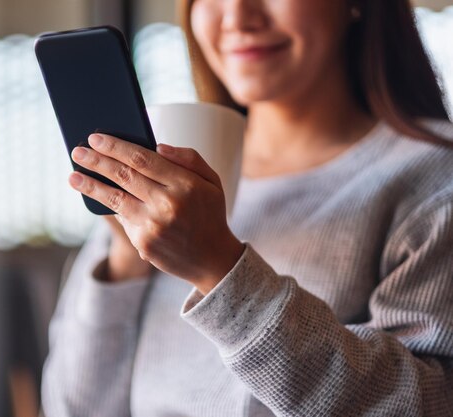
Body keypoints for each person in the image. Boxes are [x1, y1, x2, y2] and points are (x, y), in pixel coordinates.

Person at [42, 0, 453, 415]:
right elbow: (69, 407)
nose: (238, 17)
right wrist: (125, 263)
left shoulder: (433, 179)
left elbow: (429, 404)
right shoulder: (170, 178)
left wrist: (221, 268)